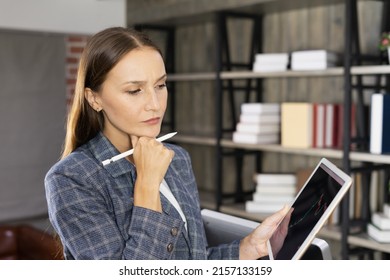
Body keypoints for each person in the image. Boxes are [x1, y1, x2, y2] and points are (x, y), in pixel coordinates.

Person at [44, 26, 290, 260]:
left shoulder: (177, 158)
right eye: (134, 91)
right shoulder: (71, 180)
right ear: (94, 98)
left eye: (160, 85)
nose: (155, 104)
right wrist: (147, 185)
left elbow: (193, 262)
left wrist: (248, 248)